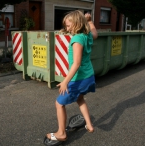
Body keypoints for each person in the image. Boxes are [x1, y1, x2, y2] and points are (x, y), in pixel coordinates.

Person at [46, 10, 98, 142]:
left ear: (77, 24)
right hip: (89, 77)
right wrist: (90, 21)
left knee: (59, 103)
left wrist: (65, 82)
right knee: (80, 99)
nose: (67, 28)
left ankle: (61, 133)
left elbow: (76, 63)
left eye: (69, 26)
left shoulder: (77, 39)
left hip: (78, 79)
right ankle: (89, 125)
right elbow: (95, 34)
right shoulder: (87, 35)